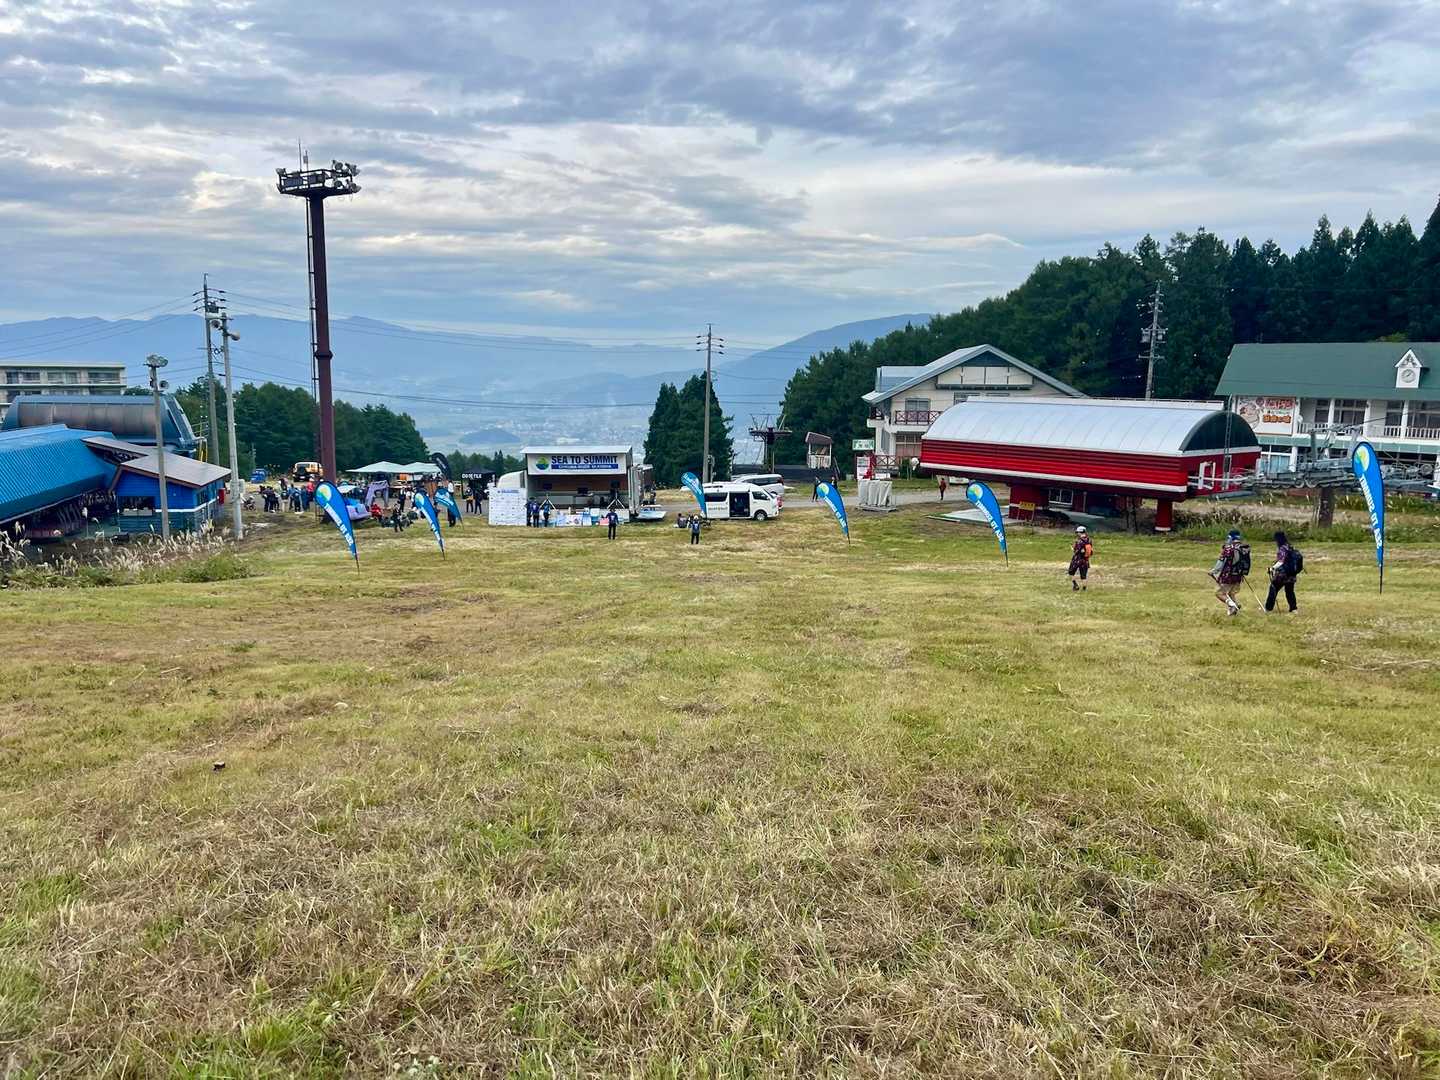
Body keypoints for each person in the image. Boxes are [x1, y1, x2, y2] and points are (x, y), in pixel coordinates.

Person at [1211, 528, 1251, 616]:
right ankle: (1233, 609)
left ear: (1230, 537)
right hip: (1239, 576)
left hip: (1228, 576)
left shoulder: (1229, 549)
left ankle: (1232, 605)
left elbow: (1221, 561)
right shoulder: (1244, 548)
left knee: (1219, 593)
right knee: (1231, 593)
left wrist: (1214, 571)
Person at [1265, 530, 1301, 614]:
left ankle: (1268, 608)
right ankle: (1293, 608)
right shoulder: (1290, 546)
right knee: (1290, 591)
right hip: (1292, 574)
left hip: (1282, 574)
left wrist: (1272, 568)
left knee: (1273, 588)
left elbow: (1281, 561)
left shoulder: (1282, 548)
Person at [1067, 525, 1092, 590]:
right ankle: (1084, 589)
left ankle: (1075, 585)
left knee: (1071, 572)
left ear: (1080, 532)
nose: (1077, 533)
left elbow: (1076, 551)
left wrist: (1073, 549)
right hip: (1085, 560)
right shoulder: (1089, 540)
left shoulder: (1079, 541)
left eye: (1077, 532)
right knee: (1083, 576)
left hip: (1077, 560)